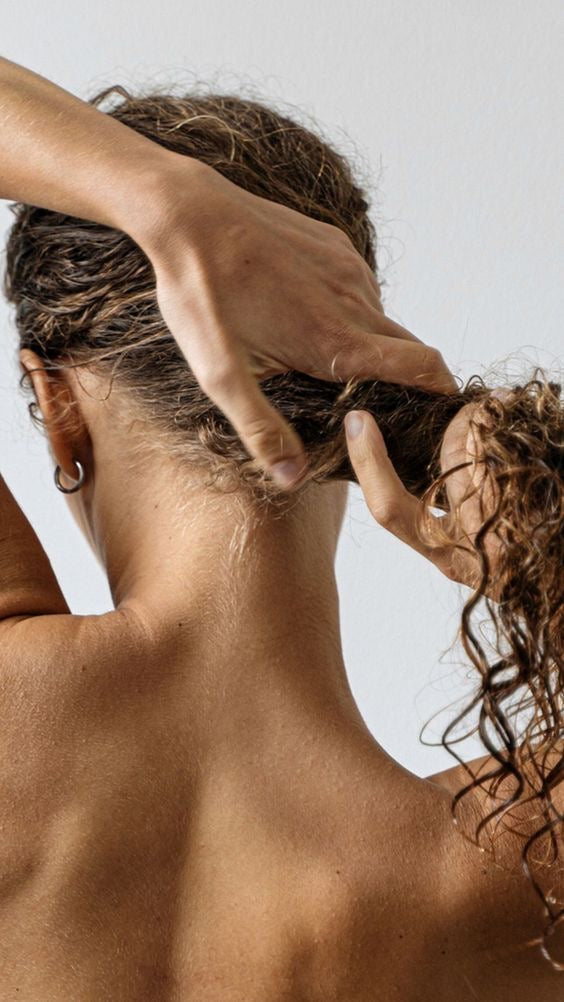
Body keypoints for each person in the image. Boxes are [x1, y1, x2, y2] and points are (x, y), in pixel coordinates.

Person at [0, 58, 562, 1000]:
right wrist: (542, 552)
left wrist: (160, 199)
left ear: (56, 404)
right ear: (367, 370)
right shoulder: (497, 884)